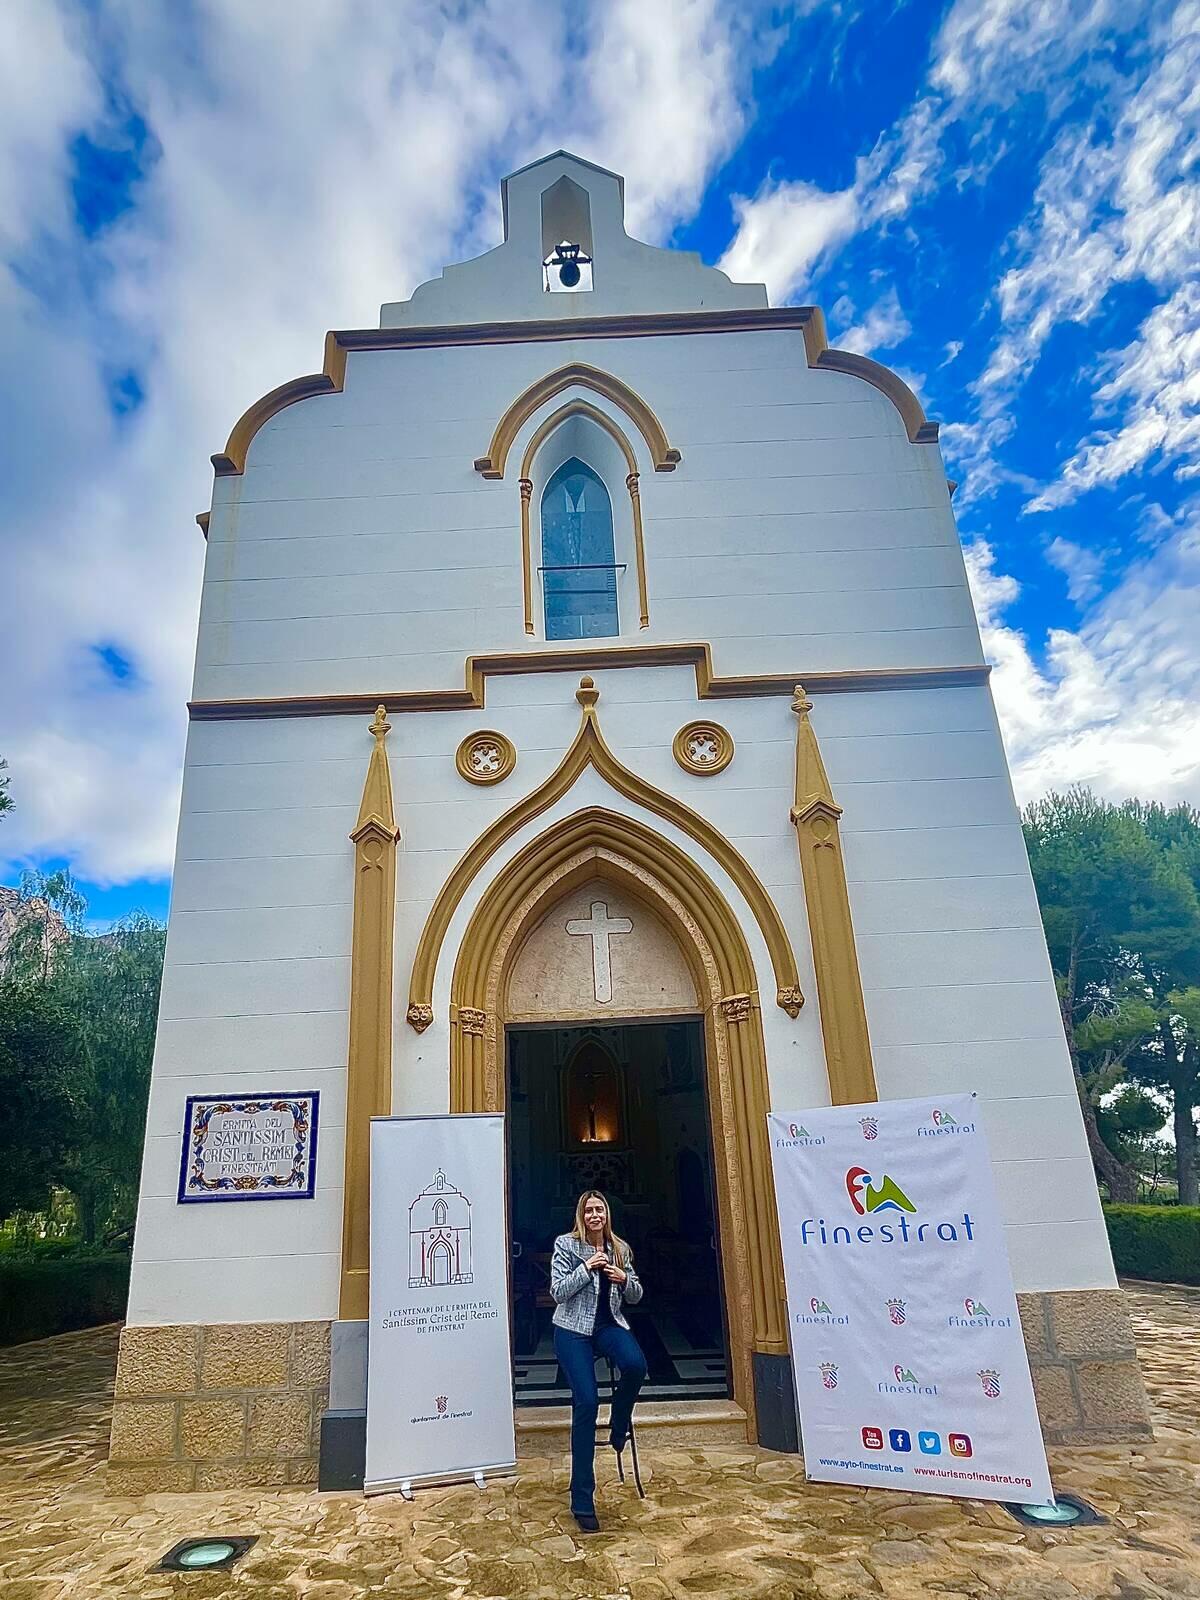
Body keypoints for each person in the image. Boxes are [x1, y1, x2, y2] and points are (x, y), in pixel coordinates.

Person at [550, 1189, 648, 1532]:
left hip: (608, 1325)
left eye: (600, 1210)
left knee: (636, 1364)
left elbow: (636, 1294)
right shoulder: (566, 1245)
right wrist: (586, 1268)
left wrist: (624, 1279)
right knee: (587, 1402)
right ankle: (582, 1499)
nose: (595, 1215)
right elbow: (558, 1292)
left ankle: (618, 1424)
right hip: (572, 1330)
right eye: (589, 1210)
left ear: (607, 1215)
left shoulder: (619, 1250)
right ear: (581, 1215)